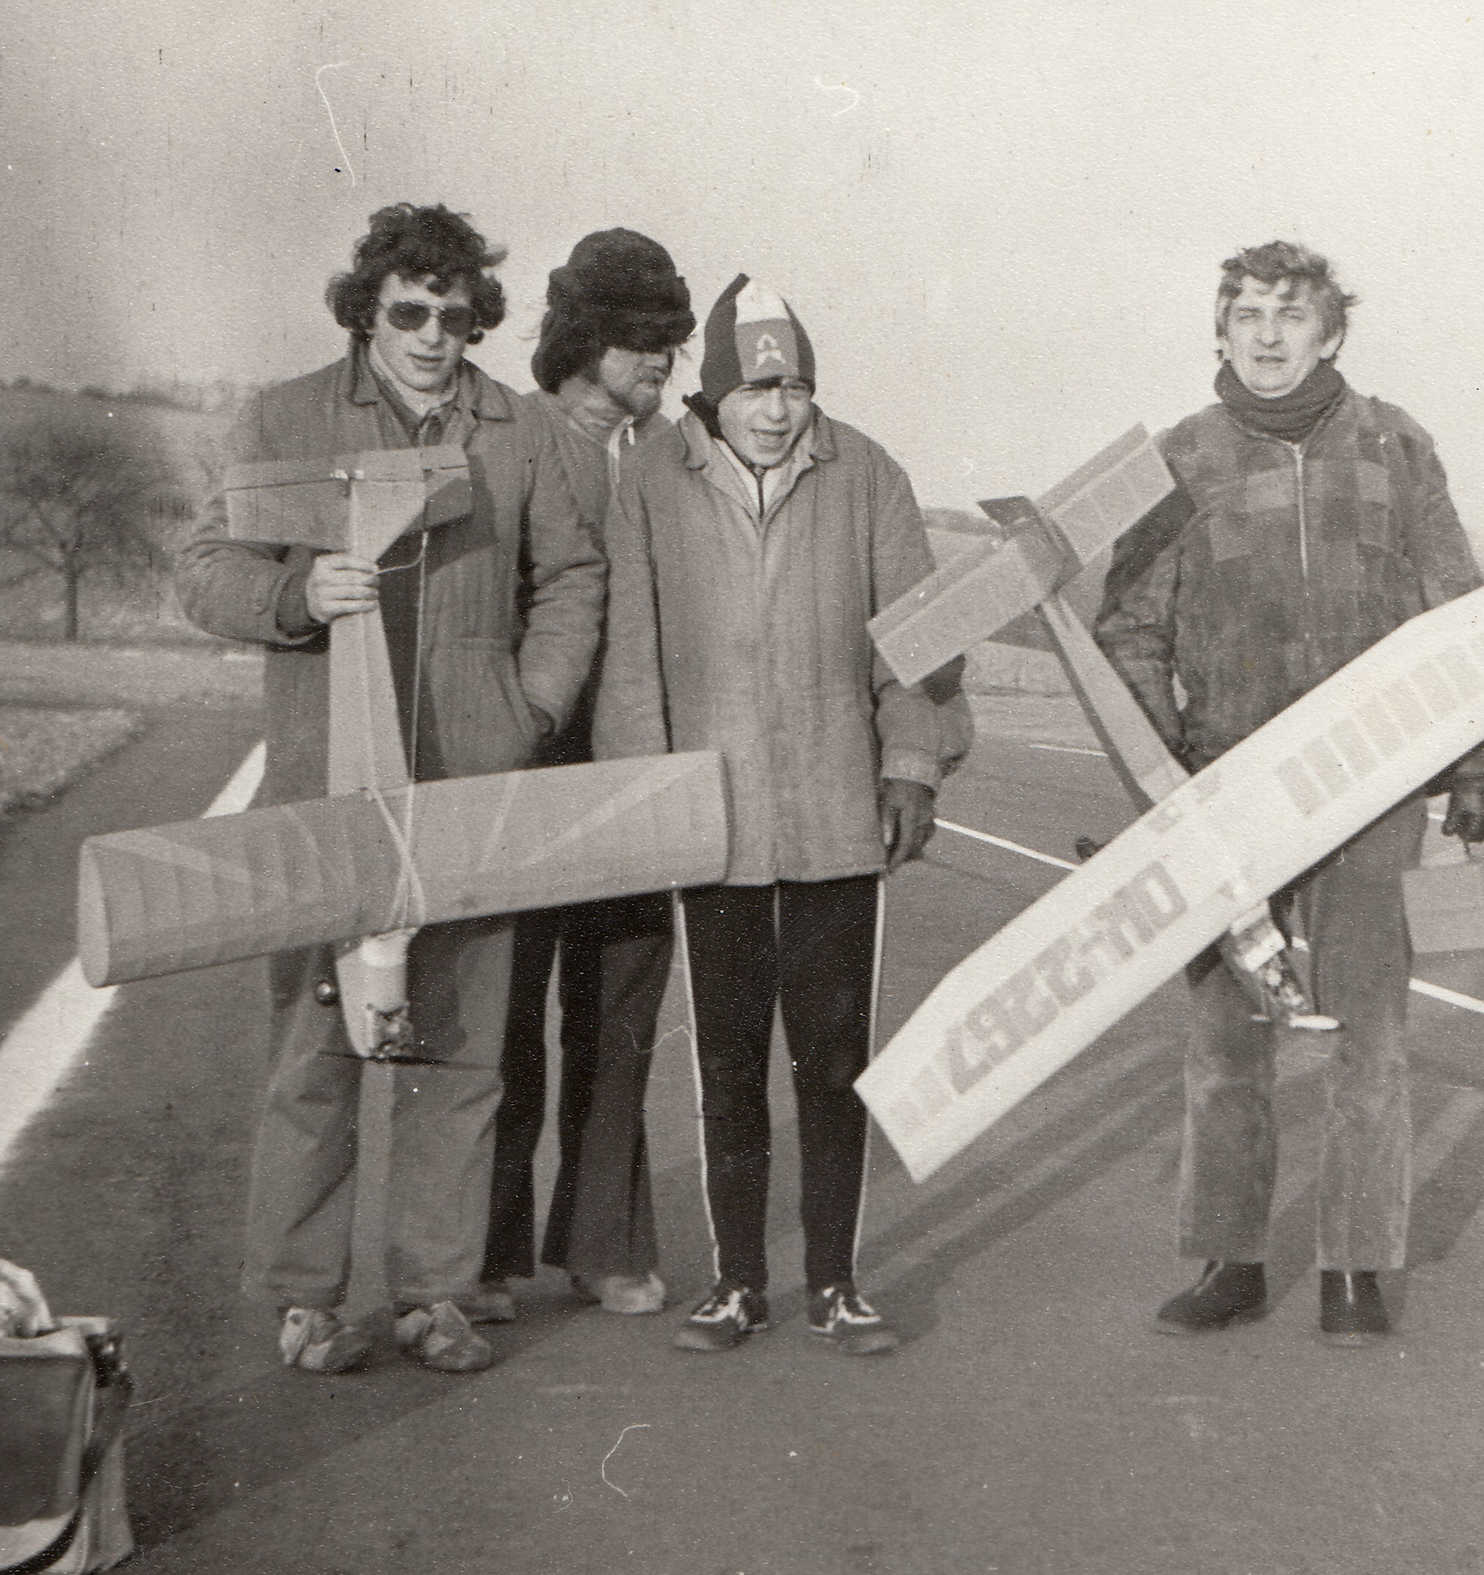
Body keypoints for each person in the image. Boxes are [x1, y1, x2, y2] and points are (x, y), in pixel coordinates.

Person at [177, 203, 606, 1376]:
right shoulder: (286, 418)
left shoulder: (519, 432)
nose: (431, 337)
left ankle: (435, 1293)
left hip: (471, 787)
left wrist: (528, 709)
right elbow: (203, 568)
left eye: (454, 318)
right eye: (409, 312)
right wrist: (294, 596)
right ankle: (305, 1296)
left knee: (456, 1054)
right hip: (327, 790)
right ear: (367, 311)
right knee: (316, 1051)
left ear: (477, 324)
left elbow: (572, 577)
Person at [1095, 240, 1484, 1346]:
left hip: (1373, 785)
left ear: (1331, 333)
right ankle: (1228, 1260)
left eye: (1291, 314)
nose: (1268, 334)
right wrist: (1166, 771)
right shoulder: (1180, 459)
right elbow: (1128, 627)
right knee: (1228, 1041)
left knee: (1372, 1036)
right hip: (1228, 789)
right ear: (1220, 331)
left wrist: (1480, 763)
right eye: (1247, 314)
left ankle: (1355, 1268)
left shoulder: (1396, 444)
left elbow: (1459, 609)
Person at [593, 273, 973, 1356]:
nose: (776, 410)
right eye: (756, 389)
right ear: (714, 394)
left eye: (794, 388)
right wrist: (646, 801)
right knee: (725, 1062)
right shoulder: (652, 481)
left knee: (833, 1060)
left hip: (835, 819)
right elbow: (631, 661)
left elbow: (917, 646)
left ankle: (838, 1283)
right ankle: (737, 1283)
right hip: (711, 822)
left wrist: (912, 768)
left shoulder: (869, 475)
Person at [474, 229, 695, 1326]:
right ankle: (484, 1252)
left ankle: (603, 1243)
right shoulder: (509, 439)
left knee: (618, 1019)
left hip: (637, 767)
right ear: (581, 338)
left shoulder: (678, 458)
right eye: (641, 337)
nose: (662, 359)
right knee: (503, 1014)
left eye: (673, 339)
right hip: (523, 763)